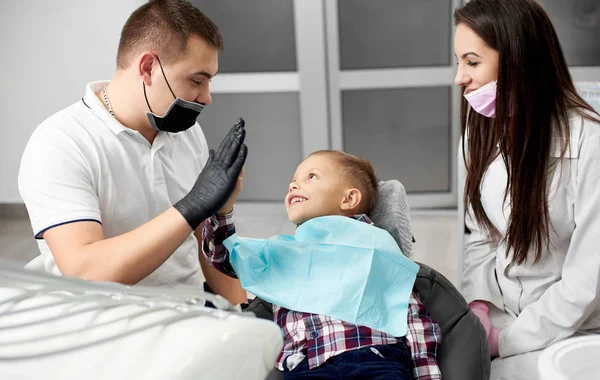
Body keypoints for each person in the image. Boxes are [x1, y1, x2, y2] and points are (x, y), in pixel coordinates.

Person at [17, 0, 248, 305]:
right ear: (148, 67)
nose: (206, 98)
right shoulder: (60, 142)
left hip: (189, 313)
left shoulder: (186, 133)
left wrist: (245, 312)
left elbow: (206, 246)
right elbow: (84, 270)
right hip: (108, 322)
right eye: (196, 80)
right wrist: (191, 207)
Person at [454, 0, 600, 378]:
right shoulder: (479, 133)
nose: (459, 77)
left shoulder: (590, 144)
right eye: (460, 62)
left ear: (519, 60)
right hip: (502, 312)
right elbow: (480, 234)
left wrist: (504, 342)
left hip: (571, 329)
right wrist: (478, 309)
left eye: (471, 62)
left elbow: (586, 283)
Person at [203, 150, 442, 380]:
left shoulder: (376, 249)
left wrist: (425, 373)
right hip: (307, 366)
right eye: (293, 181)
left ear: (349, 199)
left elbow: (411, 317)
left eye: (311, 176)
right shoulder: (287, 254)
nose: (293, 185)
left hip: (376, 357)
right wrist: (223, 207)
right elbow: (225, 255)